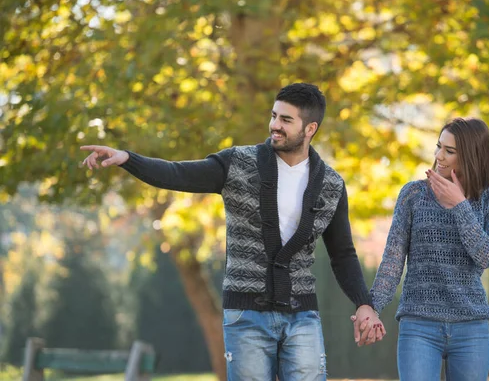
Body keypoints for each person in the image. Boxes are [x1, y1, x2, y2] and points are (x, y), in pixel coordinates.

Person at [81, 83, 383, 380]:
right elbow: (178, 173)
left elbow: (342, 254)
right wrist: (128, 159)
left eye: (286, 120)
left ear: (310, 129)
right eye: (274, 115)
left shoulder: (331, 185)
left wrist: (364, 303)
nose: (274, 125)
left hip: (302, 316)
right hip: (246, 315)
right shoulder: (237, 163)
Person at [367, 117, 489, 381]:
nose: (438, 156)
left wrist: (459, 205)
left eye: (449, 151)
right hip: (419, 324)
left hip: (471, 327)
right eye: (438, 146)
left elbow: (486, 255)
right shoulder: (413, 195)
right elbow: (393, 260)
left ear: (472, 156)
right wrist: (371, 307)